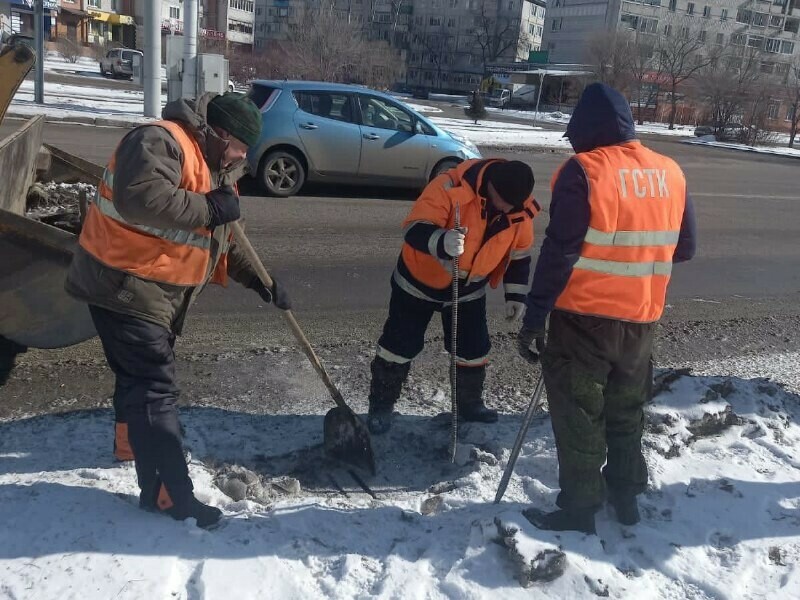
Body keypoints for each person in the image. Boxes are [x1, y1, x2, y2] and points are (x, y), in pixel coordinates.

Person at [65, 92, 291, 529]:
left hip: (148, 290)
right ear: (221, 134)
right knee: (154, 387)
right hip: (124, 284)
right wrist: (209, 208)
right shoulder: (160, 140)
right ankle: (171, 495)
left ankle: (133, 450)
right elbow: (140, 197)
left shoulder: (215, 166)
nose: (245, 156)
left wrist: (264, 284)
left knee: (140, 382)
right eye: (242, 146)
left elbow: (222, 239)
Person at [516, 83, 697, 535]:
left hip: (583, 321)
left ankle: (579, 511)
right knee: (626, 410)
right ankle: (626, 495)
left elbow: (560, 251)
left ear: (584, 131)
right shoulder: (670, 171)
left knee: (579, 413)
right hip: (641, 320)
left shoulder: (585, 170)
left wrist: (534, 317)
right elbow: (686, 247)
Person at [367, 158, 539, 435]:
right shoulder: (449, 186)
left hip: (467, 290)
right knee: (398, 346)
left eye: (512, 205)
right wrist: (440, 241)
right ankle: (380, 406)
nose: (507, 209)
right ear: (491, 186)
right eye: (502, 201)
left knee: (473, 349)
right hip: (418, 282)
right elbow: (413, 228)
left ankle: (469, 406)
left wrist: (516, 295)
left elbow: (519, 253)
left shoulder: (519, 207)